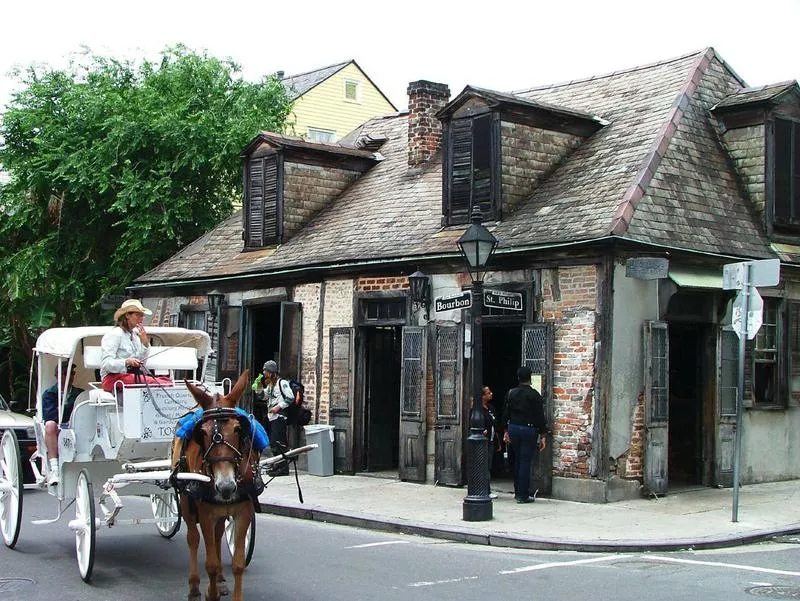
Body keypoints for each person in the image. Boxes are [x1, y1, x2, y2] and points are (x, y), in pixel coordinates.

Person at [100, 298, 172, 393]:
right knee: (160, 384)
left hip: (131, 377)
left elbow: (142, 362)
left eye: (142, 316)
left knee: (167, 382)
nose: (141, 318)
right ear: (127, 315)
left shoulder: (135, 335)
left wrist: (145, 343)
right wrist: (126, 362)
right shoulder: (115, 334)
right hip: (113, 378)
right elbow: (106, 364)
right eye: (138, 315)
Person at [502, 366, 550, 504]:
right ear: (530, 378)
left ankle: (518, 491)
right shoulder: (534, 395)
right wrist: (543, 435)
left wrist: (505, 430)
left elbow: (505, 413)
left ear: (518, 378)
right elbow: (539, 417)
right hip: (529, 429)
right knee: (524, 461)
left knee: (517, 460)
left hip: (513, 428)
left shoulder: (511, 393)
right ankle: (523, 495)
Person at [41, 363, 84, 486]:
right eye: (66, 373)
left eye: (72, 373)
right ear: (57, 376)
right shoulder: (49, 394)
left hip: (76, 427)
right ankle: (54, 468)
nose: (69, 376)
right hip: (59, 429)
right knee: (50, 425)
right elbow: (50, 416)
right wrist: (67, 408)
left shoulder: (80, 394)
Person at [251, 360, 293, 474]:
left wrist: (278, 407)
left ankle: (283, 468)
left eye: (266, 371)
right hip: (271, 417)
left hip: (279, 416)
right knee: (274, 443)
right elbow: (264, 397)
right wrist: (258, 388)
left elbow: (290, 398)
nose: (264, 373)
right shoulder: (270, 385)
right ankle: (277, 465)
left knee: (279, 443)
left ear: (272, 372)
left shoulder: (282, 383)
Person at [481, 385, 501, 499]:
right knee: (484, 467)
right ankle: (485, 490)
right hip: (483, 442)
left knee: (488, 466)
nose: (491, 394)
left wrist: (498, 441)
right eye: (488, 393)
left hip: (491, 440)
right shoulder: (477, 410)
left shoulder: (491, 408)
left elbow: (495, 426)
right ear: (483, 396)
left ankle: (487, 489)